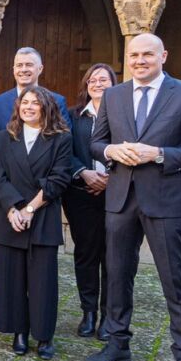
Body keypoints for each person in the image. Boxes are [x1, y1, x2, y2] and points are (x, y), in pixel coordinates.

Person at [85, 34, 181, 361]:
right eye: (134, 55)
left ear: (163, 56)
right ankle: (117, 344)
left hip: (165, 200)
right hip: (121, 199)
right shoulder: (113, 95)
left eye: (147, 54)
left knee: (174, 279)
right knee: (117, 274)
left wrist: (158, 154)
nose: (139, 60)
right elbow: (96, 142)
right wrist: (111, 151)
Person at [0, 86, 72, 360]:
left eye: (35, 103)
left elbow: (59, 178)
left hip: (42, 216)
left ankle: (44, 335)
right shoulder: (4, 137)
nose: (28, 107)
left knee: (42, 281)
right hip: (10, 217)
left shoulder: (61, 139)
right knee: (12, 279)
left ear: (46, 107)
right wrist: (12, 208)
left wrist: (29, 209)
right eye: (25, 102)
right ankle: (19, 331)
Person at [63, 63, 117, 340]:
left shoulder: (123, 114)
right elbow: (64, 150)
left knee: (112, 257)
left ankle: (108, 317)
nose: (97, 84)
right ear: (86, 85)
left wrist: (110, 179)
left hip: (115, 195)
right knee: (85, 254)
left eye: (103, 79)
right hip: (80, 195)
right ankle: (89, 313)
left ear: (114, 84)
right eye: (92, 80)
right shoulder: (73, 116)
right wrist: (83, 172)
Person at [0, 47, 72, 159]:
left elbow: (64, 139)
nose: (23, 69)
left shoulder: (57, 101)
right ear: (14, 69)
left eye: (29, 65)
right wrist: (10, 166)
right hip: (7, 168)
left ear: (40, 69)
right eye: (19, 65)